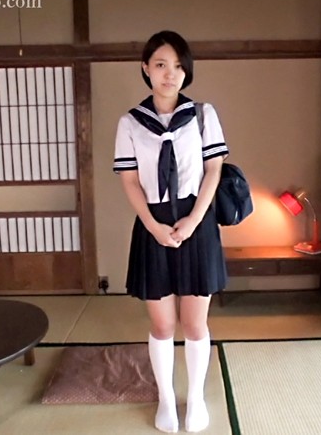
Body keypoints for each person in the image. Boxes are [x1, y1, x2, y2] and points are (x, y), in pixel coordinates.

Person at [112, 30, 229, 433]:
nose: (170, 74)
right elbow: (130, 180)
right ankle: (166, 399)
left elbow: (213, 170)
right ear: (145, 68)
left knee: (195, 324)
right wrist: (153, 226)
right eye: (161, 65)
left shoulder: (203, 115)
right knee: (162, 325)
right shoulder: (130, 122)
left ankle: (195, 399)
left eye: (178, 66)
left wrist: (194, 221)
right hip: (153, 224)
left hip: (198, 221)